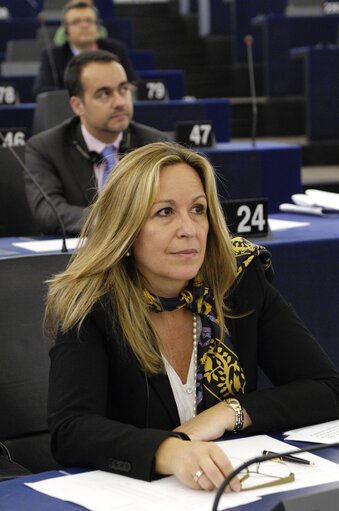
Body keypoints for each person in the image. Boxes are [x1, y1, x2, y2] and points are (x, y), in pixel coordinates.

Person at [46, 142, 339, 492]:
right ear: (126, 227)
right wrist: (170, 451)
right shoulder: (92, 302)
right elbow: (71, 429)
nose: (189, 228)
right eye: (165, 212)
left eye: (198, 209)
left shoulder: (237, 280)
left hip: (228, 492)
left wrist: (225, 414)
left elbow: (327, 389)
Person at [25, 50, 169, 235]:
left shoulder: (155, 144)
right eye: (104, 94)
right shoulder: (46, 148)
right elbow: (48, 212)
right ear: (78, 105)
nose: (119, 102)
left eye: (123, 89)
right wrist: (116, 222)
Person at [33, 0, 137, 98]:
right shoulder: (53, 55)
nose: (84, 25)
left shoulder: (115, 49)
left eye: (89, 20)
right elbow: (41, 90)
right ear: (66, 30)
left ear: (98, 26)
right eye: (76, 21)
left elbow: (134, 84)